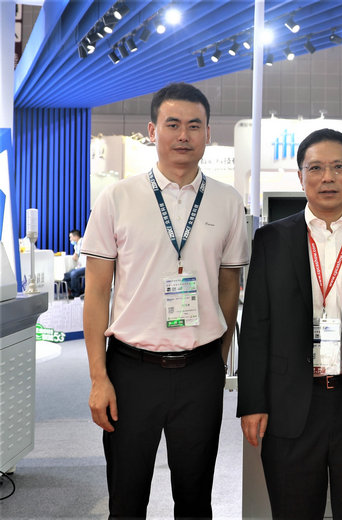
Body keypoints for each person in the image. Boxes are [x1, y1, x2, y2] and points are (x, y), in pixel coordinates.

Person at [81, 82, 250, 518]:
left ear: (208, 134)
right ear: (152, 131)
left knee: (195, 500)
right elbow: (96, 292)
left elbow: (229, 287)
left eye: (194, 126)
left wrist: (218, 360)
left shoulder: (228, 201)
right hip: (131, 370)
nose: (183, 135)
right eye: (172, 124)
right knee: (126, 498)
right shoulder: (118, 198)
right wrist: (99, 377)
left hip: (199, 370)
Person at [237, 128, 342, 519]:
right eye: (315, 168)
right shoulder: (271, 240)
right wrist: (252, 402)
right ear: (301, 176)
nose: (327, 177)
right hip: (289, 404)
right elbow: (256, 327)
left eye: (338, 167)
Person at [63, 228, 86, 298]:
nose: (70, 239)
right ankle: (78, 291)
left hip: (86, 267)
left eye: (71, 237)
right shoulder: (77, 245)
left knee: (73, 274)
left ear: (76, 237)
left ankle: (75, 294)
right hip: (80, 266)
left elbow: (75, 257)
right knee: (66, 276)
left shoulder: (81, 242)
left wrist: (75, 254)